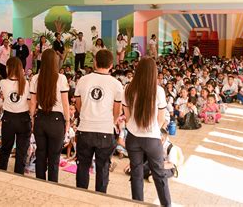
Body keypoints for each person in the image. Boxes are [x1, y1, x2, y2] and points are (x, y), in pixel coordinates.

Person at [122, 57, 171, 206]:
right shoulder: (159, 91)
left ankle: (138, 204)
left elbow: (128, 117)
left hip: (133, 138)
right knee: (159, 174)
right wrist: (153, 130)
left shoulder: (128, 88)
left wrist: (136, 128)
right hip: (152, 139)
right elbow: (161, 119)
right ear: (153, 72)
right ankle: (166, 204)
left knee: (136, 174)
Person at [74, 49, 123, 193]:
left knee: (83, 166)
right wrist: (109, 121)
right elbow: (117, 110)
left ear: (95, 62)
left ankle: (80, 197)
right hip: (105, 131)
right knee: (102, 169)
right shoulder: (116, 84)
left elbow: (78, 104)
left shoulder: (83, 80)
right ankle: (100, 199)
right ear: (111, 65)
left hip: (85, 129)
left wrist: (88, 114)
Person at [30, 49, 70, 182]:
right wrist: (68, 121)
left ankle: (40, 182)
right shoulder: (61, 78)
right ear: (54, 62)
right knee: (54, 157)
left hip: (40, 118)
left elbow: (33, 103)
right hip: (56, 120)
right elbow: (65, 103)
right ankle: (52, 184)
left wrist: (32, 119)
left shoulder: (35, 78)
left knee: (40, 154)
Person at [0, 57, 32, 174]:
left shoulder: (3, 82)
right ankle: (19, 175)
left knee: (5, 149)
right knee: (21, 152)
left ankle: (0, 173)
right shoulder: (26, 83)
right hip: (23, 119)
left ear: (8, 68)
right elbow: (29, 102)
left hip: (9, 119)